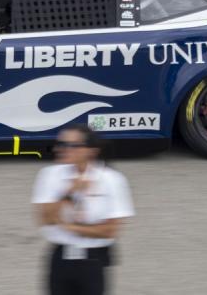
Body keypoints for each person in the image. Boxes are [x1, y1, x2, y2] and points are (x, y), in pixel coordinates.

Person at [32, 123, 135, 295]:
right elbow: (46, 219)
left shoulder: (112, 180)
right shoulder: (49, 175)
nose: (62, 149)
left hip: (93, 260)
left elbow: (110, 230)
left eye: (71, 145)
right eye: (61, 144)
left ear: (91, 151)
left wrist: (71, 228)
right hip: (60, 258)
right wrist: (69, 193)